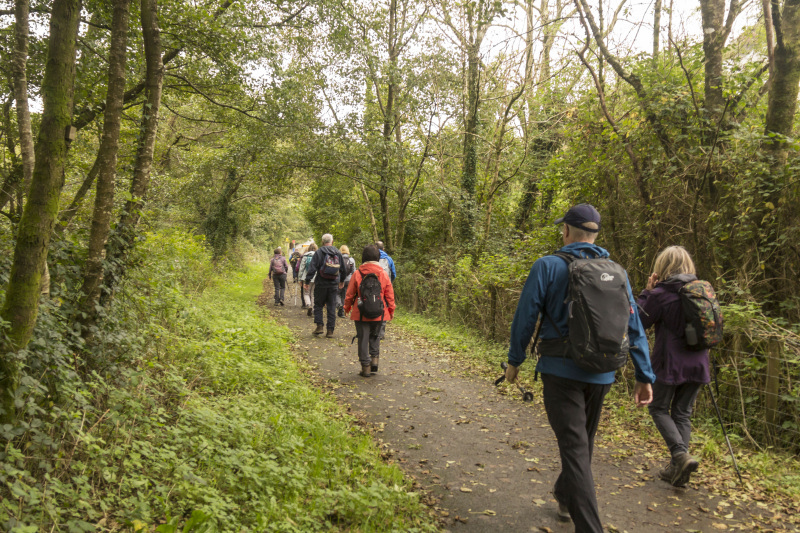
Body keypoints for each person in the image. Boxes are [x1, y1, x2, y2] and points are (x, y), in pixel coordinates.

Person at [505, 203, 655, 532]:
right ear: (595, 234)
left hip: (560, 372)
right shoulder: (617, 272)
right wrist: (644, 375)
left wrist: (514, 361)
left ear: (567, 231)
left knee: (575, 447)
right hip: (603, 373)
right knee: (581, 445)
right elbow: (634, 326)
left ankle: (589, 527)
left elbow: (525, 316)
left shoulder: (547, 266)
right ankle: (563, 494)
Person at [637, 245, 709, 488]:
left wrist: (646, 292)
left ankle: (679, 455)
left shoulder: (660, 294)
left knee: (658, 408)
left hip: (670, 363)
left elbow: (638, 321)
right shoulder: (702, 291)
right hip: (699, 363)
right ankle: (680, 470)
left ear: (662, 268)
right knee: (682, 412)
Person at [343, 244, 395, 377]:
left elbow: (350, 294)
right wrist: (391, 310)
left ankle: (365, 367)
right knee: (375, 336)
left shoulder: (357, 273)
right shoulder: (383, 273)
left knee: (363, 338)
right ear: (377, 257)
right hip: (379, 311)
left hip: (360, 312)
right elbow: (389, 294)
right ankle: (374, 362)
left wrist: (347, 308)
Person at [305, 234, 347, 337]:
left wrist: (307, 281)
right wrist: (341, 280)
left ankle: (319, 326)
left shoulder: (319, 252)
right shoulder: (337, 252)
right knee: (331, 307)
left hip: (321, 283)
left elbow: (312, 268)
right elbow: (343, 269)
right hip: (333, 284)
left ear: (322, 242)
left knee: (318, 305)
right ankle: (330, 331)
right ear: (332, 242)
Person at [375, 241, 396, 340]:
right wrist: (389, 283)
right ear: (383, 249)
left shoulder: (372, 258)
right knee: (385, 308)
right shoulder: (389, 259)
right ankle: (381, 333)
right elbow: (393, 274)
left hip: (372, 288)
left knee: (373, 305)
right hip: (386, 287)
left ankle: (373, 330)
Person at [337, 245, 357, 317]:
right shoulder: (351, 260)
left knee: (337, 293)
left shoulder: (338, 258)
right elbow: (354, 271)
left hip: (339, 279)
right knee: (344, 295)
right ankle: (342, 312)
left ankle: (339, 305)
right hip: (349, 280)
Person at [298, 243, 317, 315]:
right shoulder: (317, 255)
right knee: (313, 294)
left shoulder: (305, 256)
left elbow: (301, 268)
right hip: (315, 277)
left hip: (306, 277)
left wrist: (299, 279)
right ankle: (314, 308)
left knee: (306, 293)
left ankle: (309, 305)